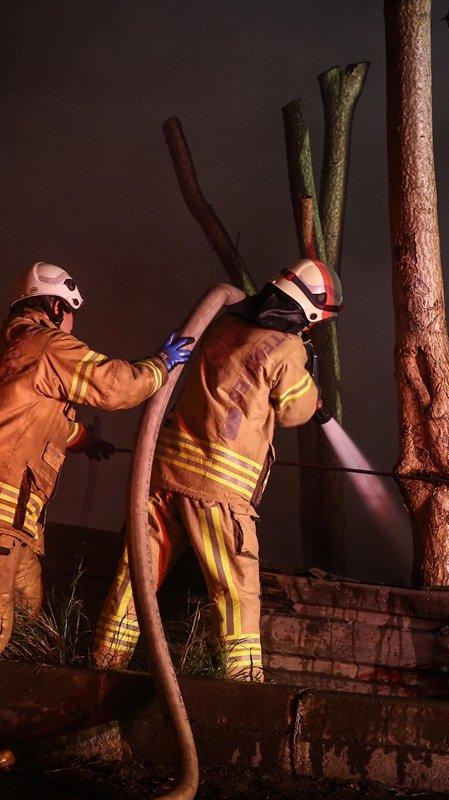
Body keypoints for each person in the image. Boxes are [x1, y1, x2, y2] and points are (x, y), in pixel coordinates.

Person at [0, 261, 193, 771]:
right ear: (55, 306)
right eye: (71, 315)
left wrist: (85, 441)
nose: (73, 327)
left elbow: (25, 415)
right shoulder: (46, 344)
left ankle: (7, 707)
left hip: (5, 510)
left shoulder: (9, 346)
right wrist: (161, 364)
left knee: (24, 607)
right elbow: (115, 386)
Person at [90, 258, 341, 682]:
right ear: (310, 313)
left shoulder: (225, 326)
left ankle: (103, 660)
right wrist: (313, 391)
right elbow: (296, 409)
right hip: (218, 487)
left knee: (139, 572)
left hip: (166, 471)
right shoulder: (287, 347)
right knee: (235, 588)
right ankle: (241, 684)